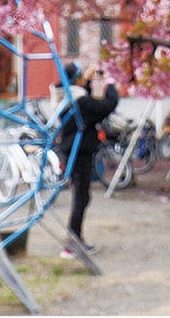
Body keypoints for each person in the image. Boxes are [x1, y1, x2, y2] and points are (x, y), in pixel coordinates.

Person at [55, 63, 118, 258]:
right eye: (82, 75)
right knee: (80, 197)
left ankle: (74, 239)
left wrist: (89, 82)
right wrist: (110, 83)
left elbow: (88, 105)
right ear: (76, 79)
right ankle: (72, 244)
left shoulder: (67, 97)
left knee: (82, 196)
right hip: (79, 153)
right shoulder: (80, 102)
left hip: (73, 151)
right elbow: (105, 106)